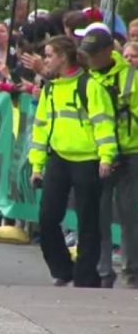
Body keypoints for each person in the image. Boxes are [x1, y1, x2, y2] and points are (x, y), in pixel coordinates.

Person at [29, 35, 117, 288]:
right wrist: (36, 165)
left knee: (88, 221)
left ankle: (85, 278)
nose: (45, 60)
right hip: (58, 159)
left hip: (88, 160)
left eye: (48, 55)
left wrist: (106, 156)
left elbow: (103, 124)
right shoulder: (50, 88)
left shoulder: (91, 86)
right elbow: (40, 129)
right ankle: (62, 269)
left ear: (62, 57)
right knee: (47, 217)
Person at [74, 23, 138, 289]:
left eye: (92, 52)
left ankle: (131, 271)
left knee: (129, 214)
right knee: (97, 214)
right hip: (98, 153)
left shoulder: (131, 77)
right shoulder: (86, 78)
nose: (88, 57)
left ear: (107, 51)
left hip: (131, 152)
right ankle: (102, 272)